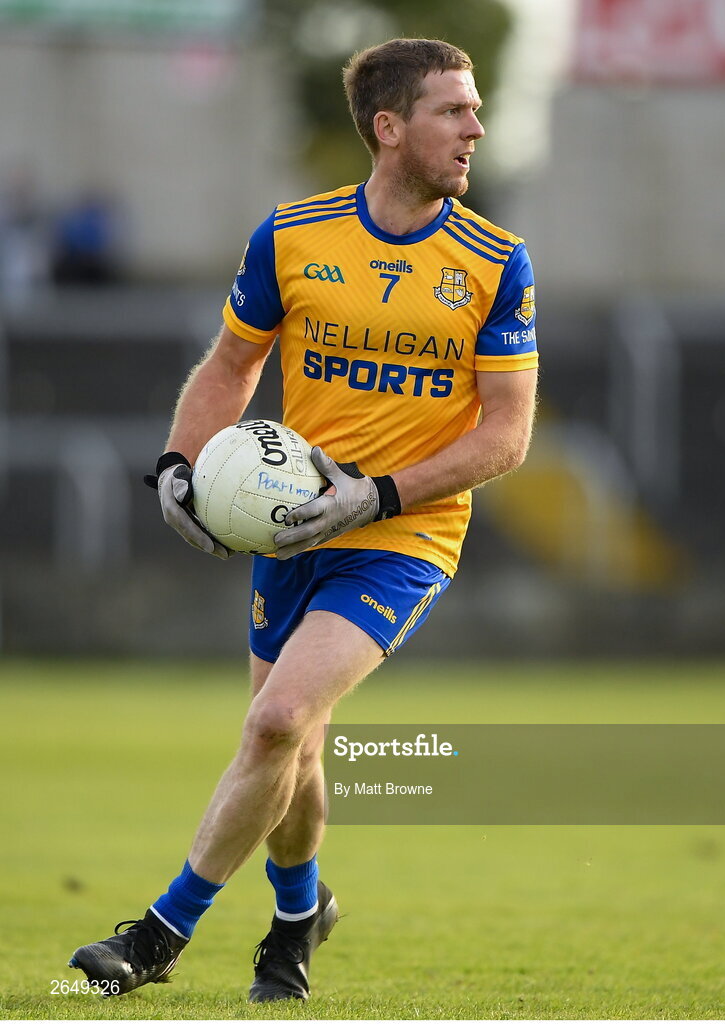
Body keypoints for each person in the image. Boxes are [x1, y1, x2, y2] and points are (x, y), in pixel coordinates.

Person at [68, 37, 538, 1002]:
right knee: (294, 740)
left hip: (403, 535)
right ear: (388, 127)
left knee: (279, 719)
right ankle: (297, 920)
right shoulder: (291, 235)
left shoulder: (498, 262)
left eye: (475, 109)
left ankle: (157, 935)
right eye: (454, 111)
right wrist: (177, 466)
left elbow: (506, 437)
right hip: (290, 531)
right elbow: (231, 366)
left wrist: (378, 493)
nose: (475, 129)